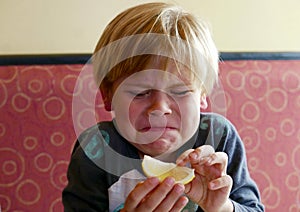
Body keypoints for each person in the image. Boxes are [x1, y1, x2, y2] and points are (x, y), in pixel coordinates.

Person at [62, 2, 264, 211]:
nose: (160, 108)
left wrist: (222, 206)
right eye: (140, 93)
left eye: (179, 92)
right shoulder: (98, 147)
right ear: (108, 95)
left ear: (202, 95)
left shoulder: (219, 136)